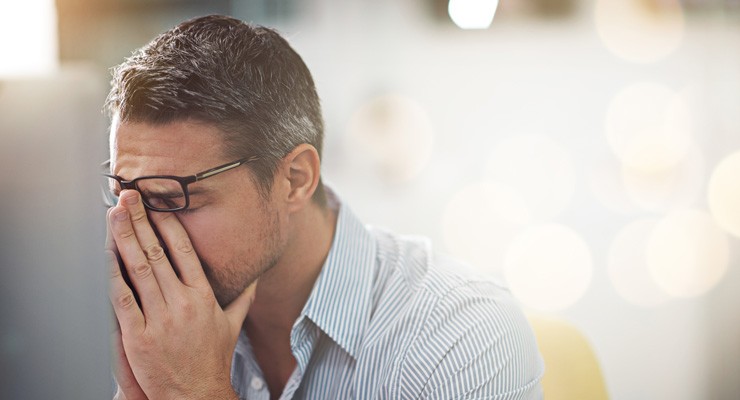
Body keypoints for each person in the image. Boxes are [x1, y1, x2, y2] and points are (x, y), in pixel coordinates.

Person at [104, 14, 544, 400]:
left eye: (175, 198)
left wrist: (197, 393)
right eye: (125, 193)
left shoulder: (463, 336)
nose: (142, 234)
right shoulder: (173, 333)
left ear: (295, 180)